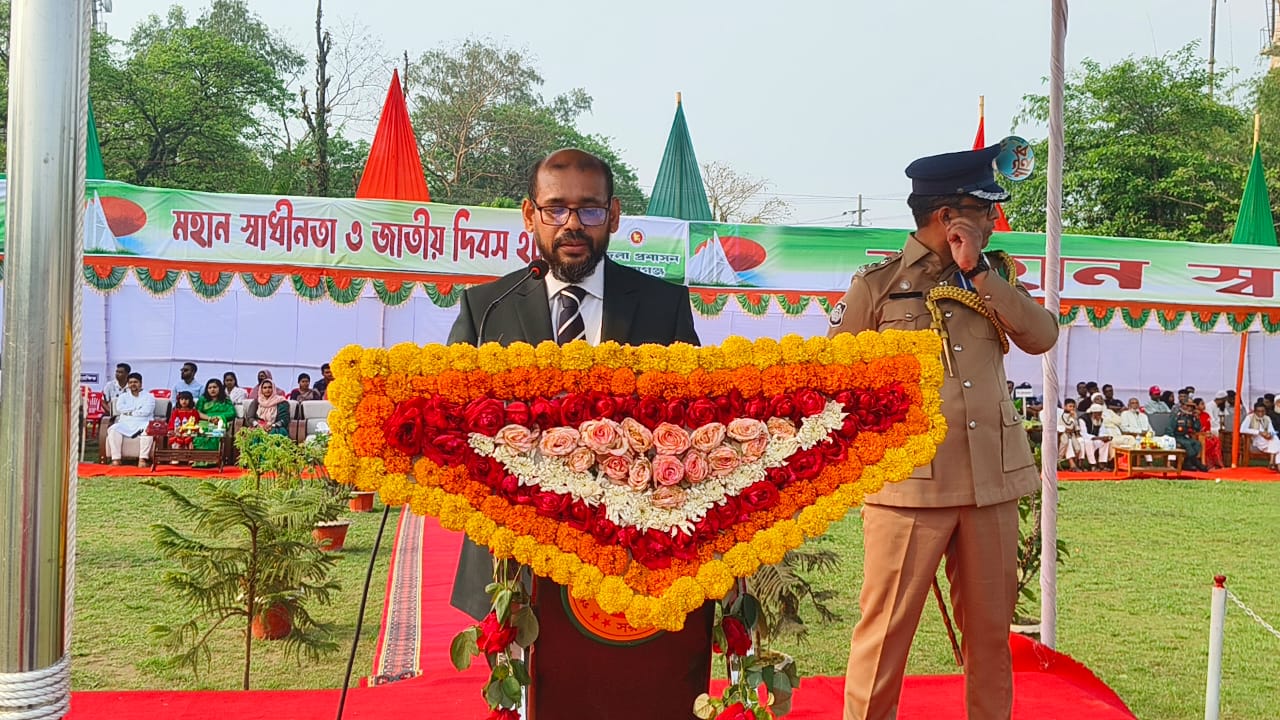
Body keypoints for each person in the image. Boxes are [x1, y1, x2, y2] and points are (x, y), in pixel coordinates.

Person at [446, 148, 703, 718]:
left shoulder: (662, 305)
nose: (572, 224)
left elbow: (691, 421)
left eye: (588, 210)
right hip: (514, 557)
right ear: (529, 214)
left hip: (632, 557)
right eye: (556, 208)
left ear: (613, 215)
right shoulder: (486, 307)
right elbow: (453, 431)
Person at [828, 143, 1058, 720]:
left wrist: (978, 271)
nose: (994, 221)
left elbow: (1041, 336)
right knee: (884, 636)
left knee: (990, 639)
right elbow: (835, 382)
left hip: (991, 485)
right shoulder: (877, 286)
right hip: (909, 487)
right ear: (948, 216)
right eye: (984, 210)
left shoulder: (994, 275)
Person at [105, 372, 156, 467]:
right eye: (130, 382)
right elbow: (120, 409)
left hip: (143, 422)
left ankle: (142, 459)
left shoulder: (149, 397)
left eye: (135, 382)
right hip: (125, 423)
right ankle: (116, 459)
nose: (133, 384)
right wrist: (137, 409)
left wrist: (129, 412)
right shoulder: (123, 396)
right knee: (113, 429)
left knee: (149, 430)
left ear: (141, 383)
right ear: (128, 384)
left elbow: (146, 411)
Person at [195, 378, 237, 454]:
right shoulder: (203, 399)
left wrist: (219, 417)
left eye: (215, 387)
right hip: (205, 421)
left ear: (220, 388)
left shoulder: (225, 400)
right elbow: (197, 412)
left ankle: (214, 456)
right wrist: (210, 418)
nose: (212, 390)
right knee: (201, 431)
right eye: (209, 388)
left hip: (220, 422)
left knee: (215, 432)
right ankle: (200, 456)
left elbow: (232, 413)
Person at [1240, 401, 1280, 470]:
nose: (1260, 413)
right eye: (1258, 411)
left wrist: (1270, 434)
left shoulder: (1267, 418)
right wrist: (1259, 432)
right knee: (1277, 442)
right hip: (1256, 441)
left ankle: (1272, 463)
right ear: (1255, 411)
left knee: (1275, 439)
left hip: (1268, 442)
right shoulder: (1249, 417)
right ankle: (1273, 462)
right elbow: (1242, 429)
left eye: (1262, 411)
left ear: (1265, 411)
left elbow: (1272, 430)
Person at [1171, 400, 1207, 472]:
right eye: (1187, 406)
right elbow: (1170, 428)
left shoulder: (1190, 417)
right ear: (1183, 406)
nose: (1189, 408)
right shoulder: (1177, 416)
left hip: (1185, 437)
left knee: (1197, 443)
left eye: (1191, 407)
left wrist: (1197, 419)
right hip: (1176, 436)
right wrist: (1171, 439)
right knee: (1188, 444)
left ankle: (1187, 463)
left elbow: (1197, 428)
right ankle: (1196, 463)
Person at [1080, 405, 1112, 470]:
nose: (1100, 415)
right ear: (1093, 413)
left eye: (1101, 413)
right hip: (1085, 438)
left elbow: (1102, 431)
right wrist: (1099, 438)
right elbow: (1083, 433)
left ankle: (1102, 463)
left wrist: (1105, 437)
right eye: (1099, 413)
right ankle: (1093, 464)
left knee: (1106, 442)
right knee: (1088, 442)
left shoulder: (1101, 419)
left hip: (1096, 438)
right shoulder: (1083, 419)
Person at [1056, 399, 1085, 470]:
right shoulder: (1063, 416)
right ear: (1065, 407)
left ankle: (1077, 463)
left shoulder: (1073, 415)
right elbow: (1068, 426)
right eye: (1070, 406)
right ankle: (1063, 461)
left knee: (1078, 448)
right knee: (1066, 442)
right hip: (1064, 434)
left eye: (1073, 406)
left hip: (1072, 434)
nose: (1072, 408)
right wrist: (1072, 419)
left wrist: (1077, 432)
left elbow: (1076, 426)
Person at [1197, 397, 1223, 470]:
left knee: (1216, 440)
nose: (1204, 405)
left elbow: (1208, 427)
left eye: (1204, 404)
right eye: (1202, 404)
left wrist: (1209, 433)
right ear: (1196, 406)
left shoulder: (1206, 415)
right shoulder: (1195, 416)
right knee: (1207, 443)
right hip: (1198, 436)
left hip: (1206, 435)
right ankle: (1206, 464)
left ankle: (1217, 464)